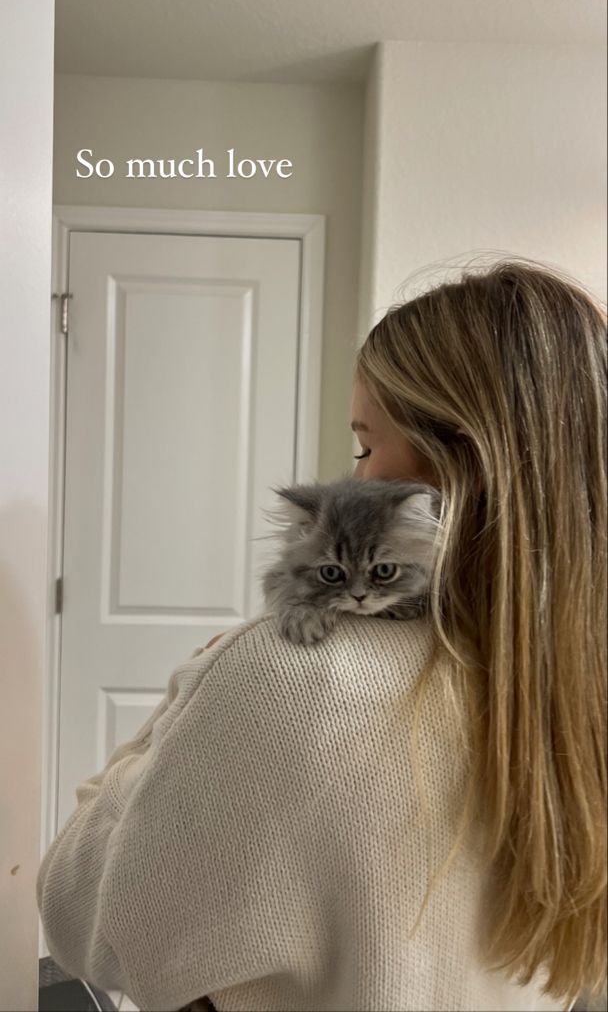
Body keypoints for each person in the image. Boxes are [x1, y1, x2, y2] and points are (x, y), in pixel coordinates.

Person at [37, 258, 607, 1012]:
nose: (356, 480)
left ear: (458, 462)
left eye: (365, 446)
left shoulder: (289, 673)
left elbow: (86, 922)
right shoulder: (580, 687)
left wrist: (177, 710)